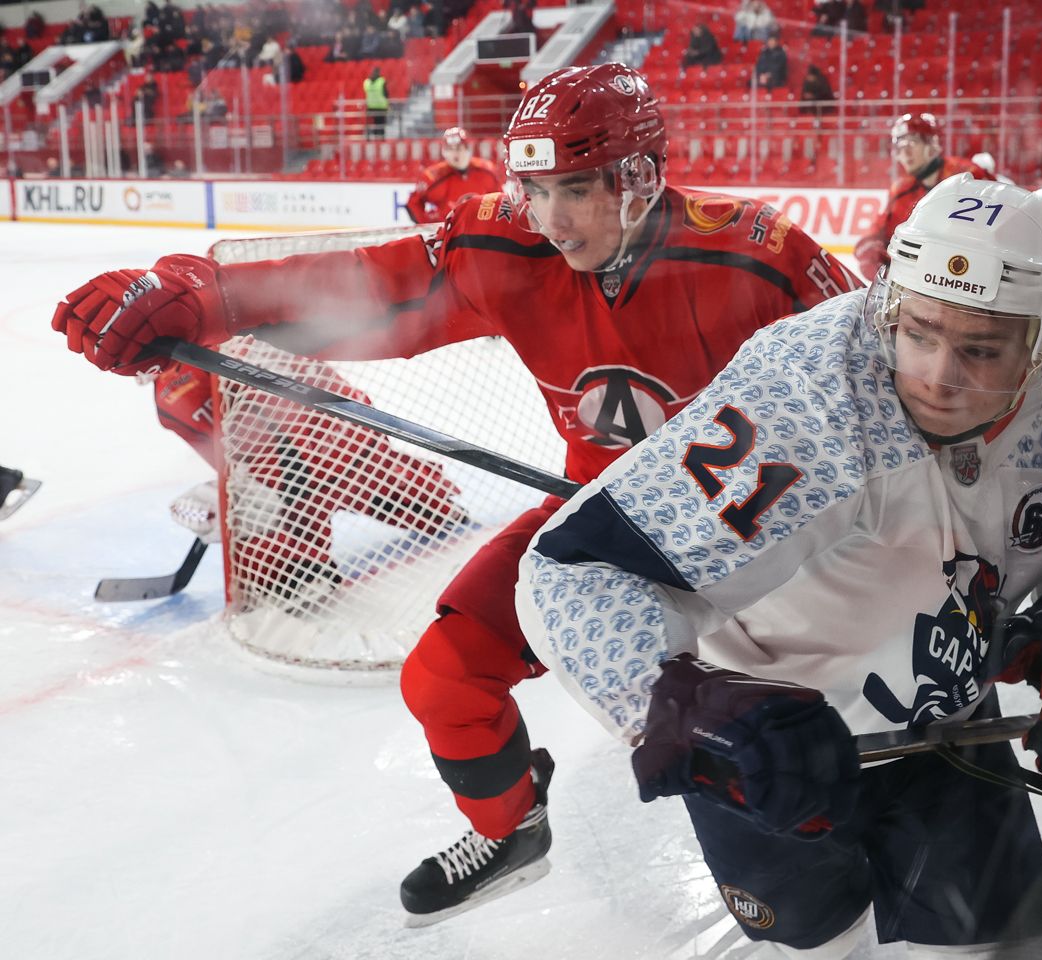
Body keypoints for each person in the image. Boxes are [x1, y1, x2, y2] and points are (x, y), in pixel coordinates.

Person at [48, 62, 857, 925]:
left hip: (769, 538)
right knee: (445, 678)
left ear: (640, 176)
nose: (550, 218)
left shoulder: (760, 257)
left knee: (802, 867)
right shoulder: (504, 244)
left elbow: (886, 398)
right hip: (603, 519)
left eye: (575, 189)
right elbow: (370, 291)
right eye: (534, 189)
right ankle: (511, 829)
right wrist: (206, 295)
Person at [516, 174, 1042, 955]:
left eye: (980, 350)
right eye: (918, 332)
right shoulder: (805, 402)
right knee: (820, 944)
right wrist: (692, 706)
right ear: (890, 305)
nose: (936, 376)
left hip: (950, 723)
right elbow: (570, 573)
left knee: (976, 947)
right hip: (773, 742)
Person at [146, 361, 467, 605]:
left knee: (393, 494)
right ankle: (434, 507)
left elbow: (236, 456)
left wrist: (238, 494)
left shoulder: (179, 386)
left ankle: (295, 573)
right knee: (391, 490)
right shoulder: (220, 346)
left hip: (318, 465)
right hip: (341, 450)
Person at [853, 112, 994, 282]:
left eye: (912, 143)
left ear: (931, 145)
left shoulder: (969, 175)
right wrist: (870, 248)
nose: (905, 153)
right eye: (900, 147)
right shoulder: (901, 191)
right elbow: (879, 234)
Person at [405, 127, 504, 224]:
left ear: (468, 148)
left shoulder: (487, 171)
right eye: (450, 149)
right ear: (444, 152)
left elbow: (501, 201)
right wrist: (429, 224)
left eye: (459, 148)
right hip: (449, 231)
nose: (455, 153)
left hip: (480, 228)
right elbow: (413, 203)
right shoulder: (432, 177)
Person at [363, 65, 389, 139]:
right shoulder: (382, 81)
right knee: (381, 124)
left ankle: (374, 137)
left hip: (371, 107)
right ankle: (381, 138)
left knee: (375, 123)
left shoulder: (366, 82)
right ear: (378, 72)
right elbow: (386, 94)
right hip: (381, 107)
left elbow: (366, 92)